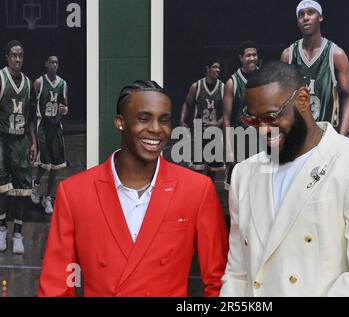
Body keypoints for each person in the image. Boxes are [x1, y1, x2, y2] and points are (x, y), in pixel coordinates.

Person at [219, 61, 349, 297]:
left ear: (302, 100)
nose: (262, 129)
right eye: (253, 120)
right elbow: (237, 272)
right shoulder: (244, 174)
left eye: (271, 117)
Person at [39, 80, 229, 296]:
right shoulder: (75, 193)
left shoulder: (196, 189)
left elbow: (219, 282)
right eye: (144, 118)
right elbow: (56, 286)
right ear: (120, 122)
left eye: (164, 120)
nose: (156, 129)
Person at [280, 0, 349, 135]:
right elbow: (282, 98)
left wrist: (342, 136)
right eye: (301, 15)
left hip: (327, 136)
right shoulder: (288, 55)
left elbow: (348, 96)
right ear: (298, 22)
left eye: (310, 13)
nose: (306, 17)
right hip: (298, 135)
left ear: (320, 17)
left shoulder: (336, 54)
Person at [0, 40, 37, 254]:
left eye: (21, 55)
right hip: (3, 139)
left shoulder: (28, 82)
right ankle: (2, 229)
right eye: (14, 55)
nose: (17, 59)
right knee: (3, 189)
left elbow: (31, 117)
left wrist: (33, 142)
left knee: (22, 191)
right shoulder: (2, 78)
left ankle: (18, 233)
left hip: (21, 139)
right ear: (7, 57)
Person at [31, 56, 69, 214]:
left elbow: (66, 106)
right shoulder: (39, 82)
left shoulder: (63, 84)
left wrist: (64, 110)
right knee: (44, 162)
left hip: (56, 127)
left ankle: (48, 198)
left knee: (55, 166)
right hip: (43, 126)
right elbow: (32, 107)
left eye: (57, 62)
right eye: (51, 62)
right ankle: (36, 183)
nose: (54, 65)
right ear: (46, 64)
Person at [179, 57, 224, 180]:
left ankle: (210, 192)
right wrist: (182, 120)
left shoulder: (222, 87)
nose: (218, 70)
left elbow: (227, 112)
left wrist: (217, 123)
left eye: (219, 67)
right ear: (207, 68)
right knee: (197, 168)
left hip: (215, 131)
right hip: (199, 129)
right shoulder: (196, 86)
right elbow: (187, 104)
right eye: (215, 67)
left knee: (212, 169)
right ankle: (199, 193)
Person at [223, 40, 259, 190]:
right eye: (248, 55)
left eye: (254, 55)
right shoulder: (232, 82)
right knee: (237, 189)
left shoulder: (265, 77)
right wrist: (229, 149)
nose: (252, 58)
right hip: (240, 140)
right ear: (241, 58)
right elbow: (226, 119)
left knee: (259, 186)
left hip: (260, 140)